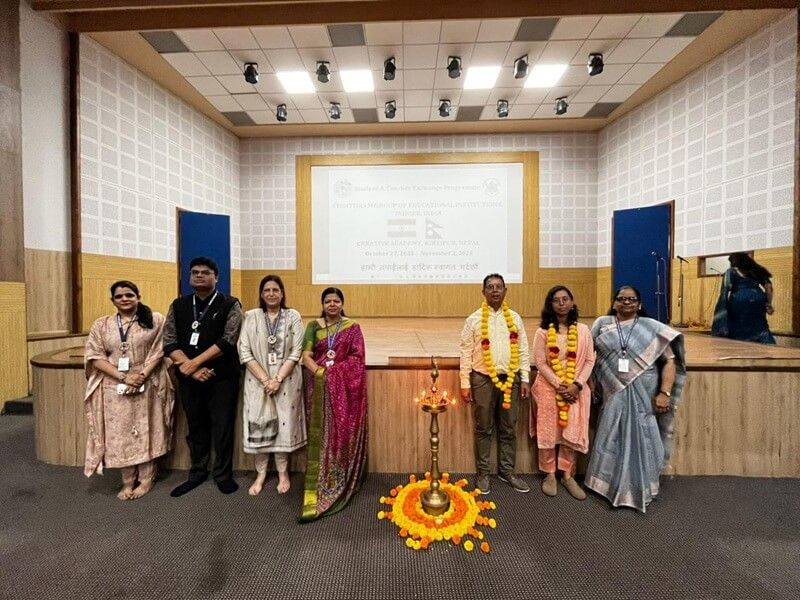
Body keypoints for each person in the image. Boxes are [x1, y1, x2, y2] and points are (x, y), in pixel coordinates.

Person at [585, 285, 686, 513]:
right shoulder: (602, 324)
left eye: (631, 299)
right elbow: (588, 355)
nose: (626, 302)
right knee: (610, 435)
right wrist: (590, 383)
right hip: (611, 391)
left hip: (644, 392)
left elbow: (670, 361)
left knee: (644, 437)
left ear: (639, 304)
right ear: (614, 303)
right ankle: (605, 485)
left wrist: (664, 393)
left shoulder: (651, 327)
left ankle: (642, 486)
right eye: (622, 299)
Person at [83, 280, 174, 500]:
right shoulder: (102, 325)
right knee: (120, 433)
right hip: (114, 385)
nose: (124, 299)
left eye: (129, 295)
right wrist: (124, 377)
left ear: (138, 297)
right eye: (119, 296)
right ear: (112, 300)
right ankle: (127, 481)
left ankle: (146, 478)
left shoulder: (155, 320)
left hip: (148, 382)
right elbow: (95, 356)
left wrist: (141, 375)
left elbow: (159, 350)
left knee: (147, 429)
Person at [164, 257, 243, 496]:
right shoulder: (178, 305)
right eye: (195, 272)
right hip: (190, 378)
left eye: (205, 272)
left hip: (222, 377)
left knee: (223, 426)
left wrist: (195, 363)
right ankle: (197, 472)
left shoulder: (230, 304)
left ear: (216, 277)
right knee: (196, 425)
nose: (199, 275)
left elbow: (228, 340)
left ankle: (222, 474)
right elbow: (169, 341)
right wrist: (191, 368)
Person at [459, 273, 531, 495]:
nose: (495, 290)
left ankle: (507, 471)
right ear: (483, 292)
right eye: (490, 287)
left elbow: (523, 349)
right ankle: (483, 473)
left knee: (509, 427)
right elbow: (465, 352)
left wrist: (525, 378)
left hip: (511, 379)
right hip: (482, 379)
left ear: (505, 290)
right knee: (483, 427)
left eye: (499, 286)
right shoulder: (473, 320)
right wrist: (465, 382)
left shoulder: (515, 318)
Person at [300, 287, 367, 521]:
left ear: (342, 304)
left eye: (336, 301)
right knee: (320, 433)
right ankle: (318, 480)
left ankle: (340, 477)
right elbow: (305, 356)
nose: (332, 304)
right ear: (322, 304)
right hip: (318, 387)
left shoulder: (352, 328)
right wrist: (320, 374)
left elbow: (357, 359)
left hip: (343, 390)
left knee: (341, 431)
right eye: (327, 301)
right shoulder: (313, 326)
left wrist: (334, 374)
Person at [238, 275, 306, 496]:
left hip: (286, 381)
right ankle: (261, 474)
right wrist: (265, 380)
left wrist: (277, 379)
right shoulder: (251, 316)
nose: (271, 294)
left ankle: (283, 473)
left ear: (282, 293)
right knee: (260, 423)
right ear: (261, 294)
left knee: (284, 425)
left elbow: (297, 350)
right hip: (257, 381)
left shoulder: (292, 316)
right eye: (267, 290)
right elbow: (244, 350)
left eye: (275, 290)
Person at [530, 286, 595, 499]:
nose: (561, 303)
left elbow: (589, 360)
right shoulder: (542, 332)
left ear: (572, 302)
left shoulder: (583, 331)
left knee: (570, 430)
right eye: (556, 300)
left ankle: (567, 474)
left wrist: (577, 385)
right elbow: (540, 363)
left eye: (565, 299)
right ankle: (549, 473)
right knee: (548, 431)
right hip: (549, 387)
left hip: (576, 389)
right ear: (550, 305)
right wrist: (559, 384)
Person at [711, 252, 776, 344]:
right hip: (758, 299)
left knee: (738, 325)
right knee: (760, 325)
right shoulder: (756, 270)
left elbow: (726, 288)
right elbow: (768, 287)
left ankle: (740, 346)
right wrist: (768, 304)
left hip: (740, 300)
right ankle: (767, 343)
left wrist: (723, 305)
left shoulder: (731, 271)